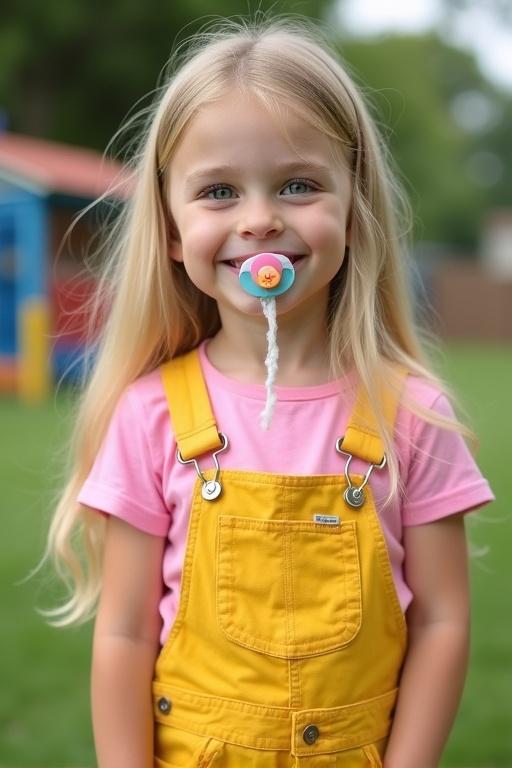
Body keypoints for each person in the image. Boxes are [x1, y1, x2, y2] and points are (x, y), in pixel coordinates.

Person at [46, 18, 494, 768]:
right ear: (172, 229)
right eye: (219, 191)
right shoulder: (150, 414)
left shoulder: (411, 414)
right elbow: (123, 632)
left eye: (298, 184)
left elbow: (444, 620)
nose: (260, 220)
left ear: (355, 208)